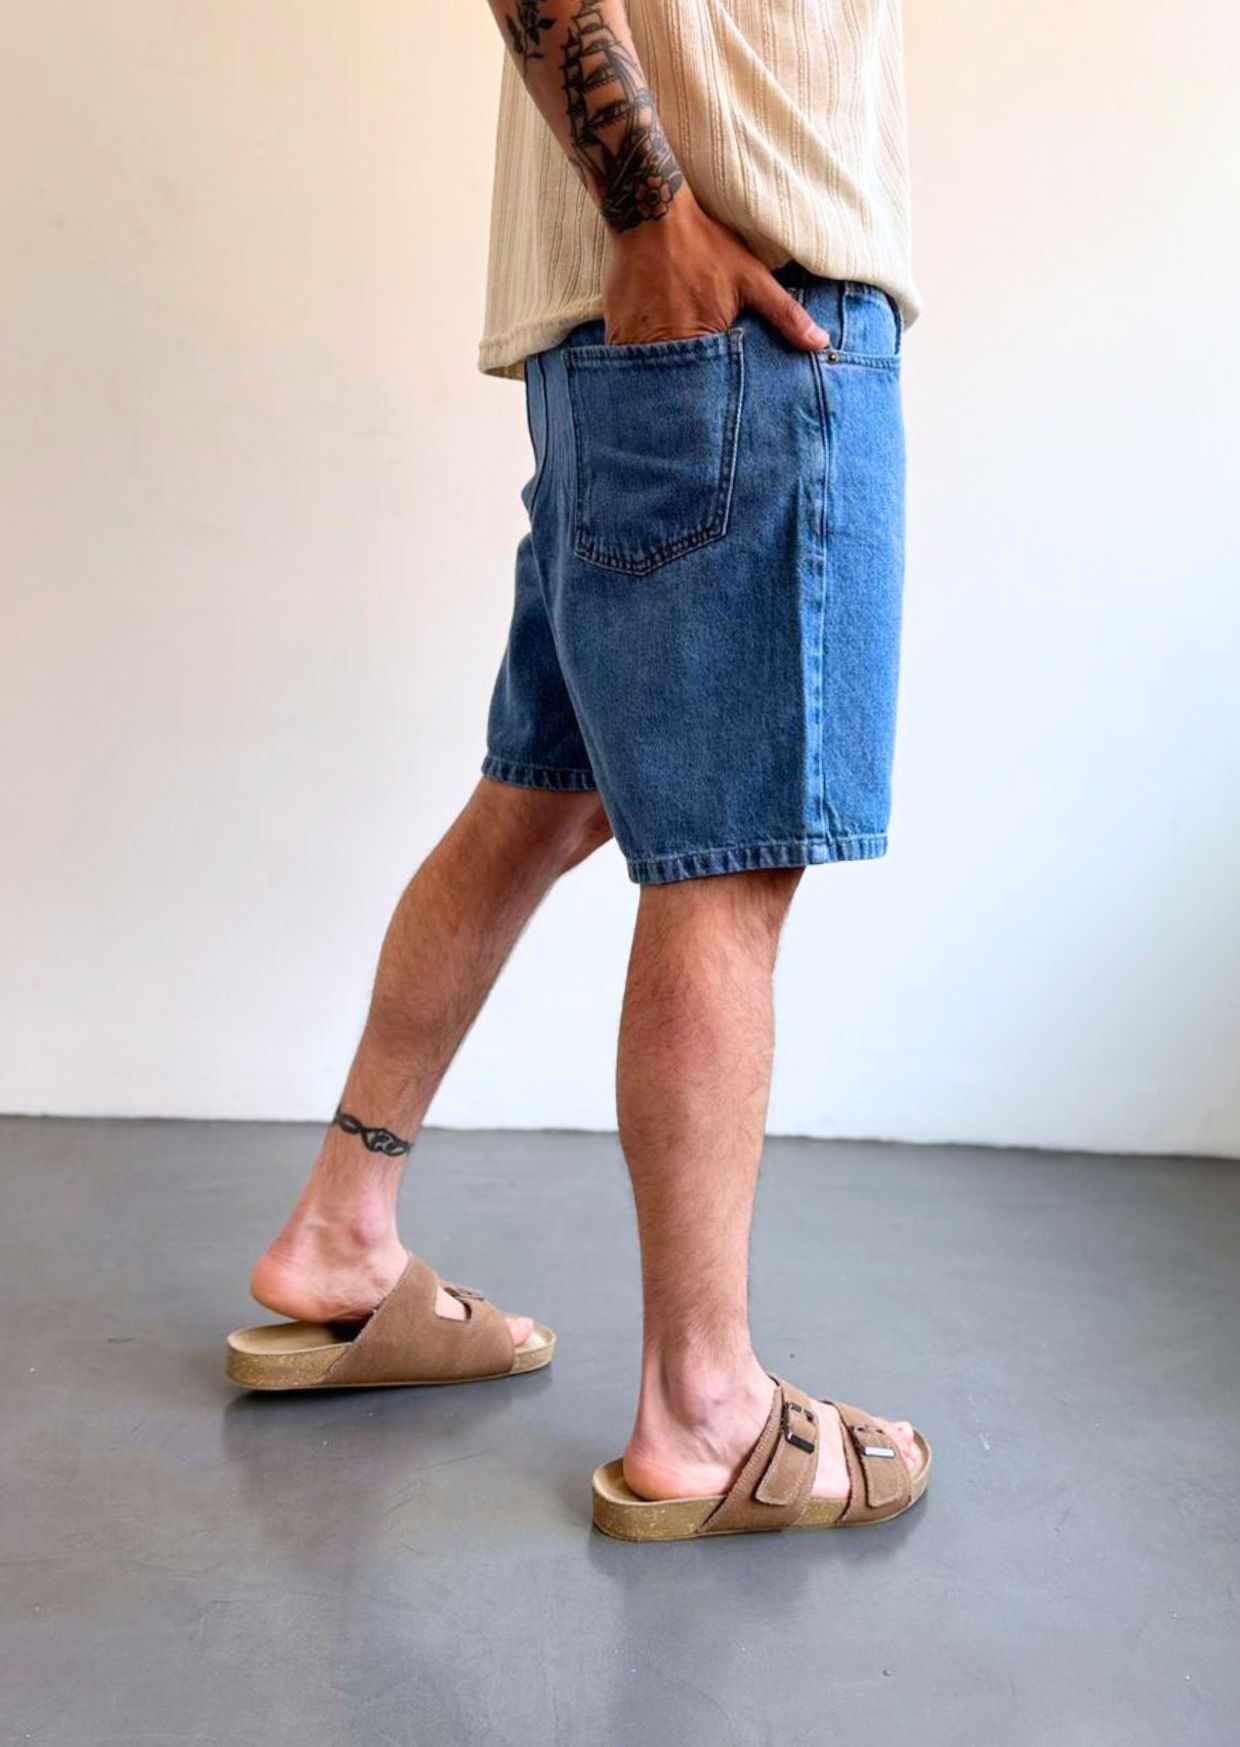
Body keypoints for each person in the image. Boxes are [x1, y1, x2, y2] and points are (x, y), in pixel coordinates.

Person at [227, 0, 931, 1542]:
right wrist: (655, 216)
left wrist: (646, 229)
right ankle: (706, 1407)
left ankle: (342, 1230)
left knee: (543, 795)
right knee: (728, 859)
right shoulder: (689, 250)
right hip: (744, 309)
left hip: (645, 332)